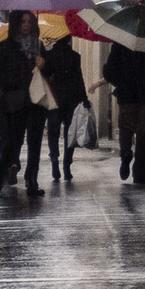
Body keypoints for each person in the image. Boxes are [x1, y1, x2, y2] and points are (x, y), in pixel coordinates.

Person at [0, 10, 50, 197]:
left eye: (30, 21)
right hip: (15, 102)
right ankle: (0, 171)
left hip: (36, 102)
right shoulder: (4, 47)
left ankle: (32, 181)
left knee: (35, 143)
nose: (27, 24)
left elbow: (49, 75)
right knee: (13, 142)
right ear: (16, 24)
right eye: (23, 21)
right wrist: (16, 82)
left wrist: (44, 65)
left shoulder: (38, 46)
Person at [101, 41, 145, 184]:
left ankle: (126, 155)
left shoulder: (121, 42)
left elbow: (109, 71)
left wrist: (121, 82)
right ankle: (138, 170)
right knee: (143, 134)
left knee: (125, 129)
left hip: (127, 95)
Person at [41, 36, 89, 182]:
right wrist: (84, 98)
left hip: (54, 98)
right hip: (71, 99)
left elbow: (44, 75)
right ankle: (67, 165)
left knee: (53, 132)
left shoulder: (48, 55)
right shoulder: (74, 56)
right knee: (69, 132)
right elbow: (79, 79)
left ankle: (55, 159)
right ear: (68, 39)